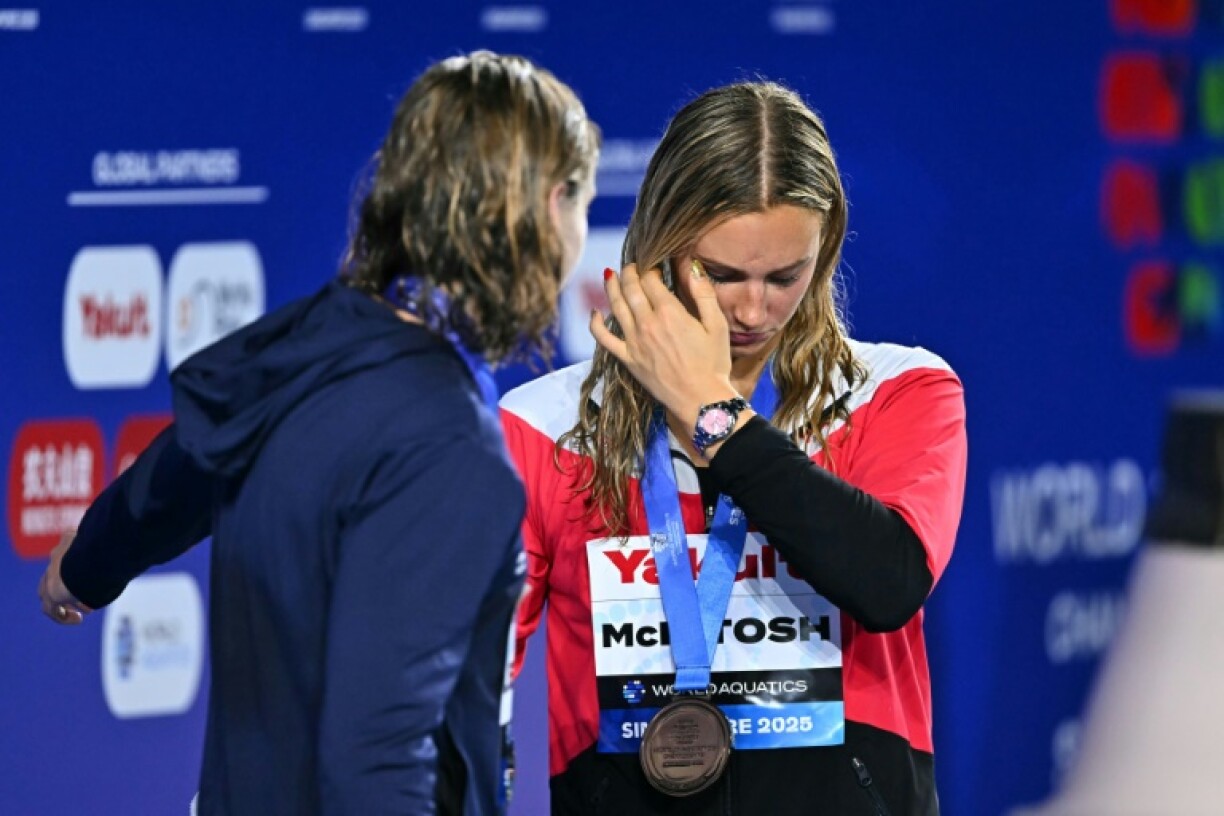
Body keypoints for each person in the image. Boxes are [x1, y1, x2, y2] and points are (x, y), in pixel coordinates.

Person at [38, 50, 600, 816]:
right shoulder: (452, 457)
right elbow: (376, 763)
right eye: (583, 204)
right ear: (546, 209)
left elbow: (185, 464)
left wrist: (87, 562)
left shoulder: (310, 341)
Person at [500, 81, 966, 815]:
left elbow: (887, 583)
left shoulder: (897, 391)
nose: (755, 310)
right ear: (661, 243)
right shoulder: (544, 429)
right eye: (722, 275)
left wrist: (711, 414)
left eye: (787, 276)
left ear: (828, 244)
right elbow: (464, 680)